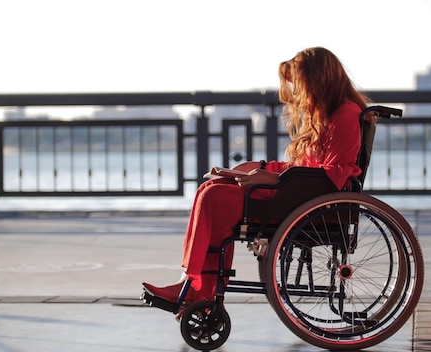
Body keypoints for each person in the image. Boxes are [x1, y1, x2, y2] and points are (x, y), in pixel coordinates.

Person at [142, 46, 372, 308]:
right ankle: (195, 285)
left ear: (317, 80)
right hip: (295, 192)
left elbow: (333, 175)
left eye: (300, 84)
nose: (298, 92)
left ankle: (195, 287)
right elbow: (305, 168)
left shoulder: (345, 114)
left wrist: (274, 179)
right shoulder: (331, 115)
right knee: (210, 187)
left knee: (214, 197)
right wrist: (258, 168)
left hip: (303, 201)